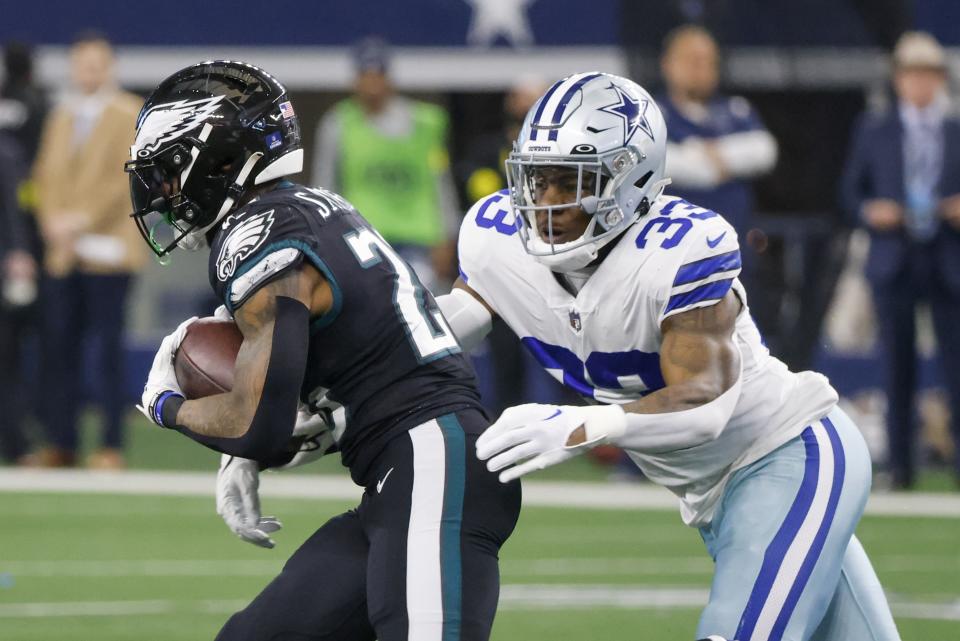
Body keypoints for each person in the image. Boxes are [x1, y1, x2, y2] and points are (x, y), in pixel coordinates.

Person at [442, 72, 900, 640]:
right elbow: (456, 321)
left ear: (631, 180)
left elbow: (706, 406)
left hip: (789, 452)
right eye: (536, 181)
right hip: (716, 496)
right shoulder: (497, 235)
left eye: (571, 183)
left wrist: (579, 425)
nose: (547, 204)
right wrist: (344, 388)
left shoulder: (679, 248)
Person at [129, 60, 519, 641]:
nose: (162, 191)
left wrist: (166, 405)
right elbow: (363, 366)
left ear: (218, 163)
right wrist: (256, 447)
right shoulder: (316, 207)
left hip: (432, 462)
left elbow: (256, 422)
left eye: (171, 171)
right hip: (405, 467)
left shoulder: (259, 237)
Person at [841, 31, 960, 490]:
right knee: (896, 365)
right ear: (899, 79)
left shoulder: (953, 131)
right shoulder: (875, 129)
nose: (920, 83)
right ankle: (900, 466)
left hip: (947, 256)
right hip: (895, 256)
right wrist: (873, 212)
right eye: (912, 73)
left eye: (928, 73)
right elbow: (851, 194)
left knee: (955, 363)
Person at [28, 31, 144, 469]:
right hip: (63, 254)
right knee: (58, 350)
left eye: (96, 64)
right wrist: (53, 223)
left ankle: (111, 443)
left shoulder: (129, 113)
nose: (88, 72)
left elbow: (125, 179)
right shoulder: (61, 116)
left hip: (109, 252)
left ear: (109, 67)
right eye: (81, 64)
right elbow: (43, 177)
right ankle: (63, 441)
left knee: (107, 350)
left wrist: (80, 221)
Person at [312, 37, 460, 293]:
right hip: (361, 235)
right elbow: (324, 186)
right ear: (355, 79)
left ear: (388, 77)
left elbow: (440, 181)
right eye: (365, 75)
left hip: (419, 237)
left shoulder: (426, 123)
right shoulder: (338, 123)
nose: (372, 83)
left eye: (377, 74)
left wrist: (447, 235)